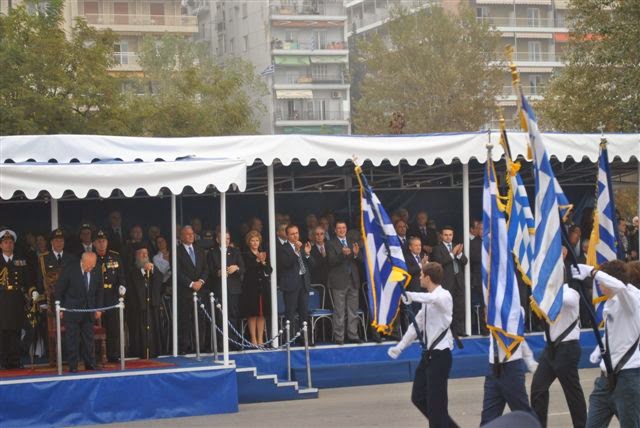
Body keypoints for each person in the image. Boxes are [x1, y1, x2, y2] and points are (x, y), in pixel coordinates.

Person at [387, 262, 459, 427]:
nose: (419, 278)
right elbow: (415, 327)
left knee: (436, 404)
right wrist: (400, 347)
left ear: (428, 278)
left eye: (421, 275)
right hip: (428, 356)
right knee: (418, 396)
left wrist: (411, 296)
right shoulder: (427, 302)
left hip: (441, 355)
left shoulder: (444, 296)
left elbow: (433, 299)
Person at [572, 260, 640, 427]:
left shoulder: (631, 299)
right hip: (606, 378)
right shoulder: (611, 301)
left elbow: (620, 287)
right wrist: (600, 347)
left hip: (628, 376)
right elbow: (615, 332)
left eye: (602, 280)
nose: (599, 283)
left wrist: (593, 272)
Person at [530, 282, 586, 428]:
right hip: (550, 350)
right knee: (538, 389)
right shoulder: (547, 295)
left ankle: (581, 425)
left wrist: (546, 294)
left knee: (572, 393)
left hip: (567, 349)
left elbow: (565, 301)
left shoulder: (571, 293)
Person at [480, 308, 538, 426]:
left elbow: (518, 339)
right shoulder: (492, 305)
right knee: (488, 418)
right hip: (493, 368)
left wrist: (530, 361)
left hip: (511, 367)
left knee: (522, 413)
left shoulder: (514, 307)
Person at [55, 252, 104, 372]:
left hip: (89, 310)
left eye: (93, 265)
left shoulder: (97, 269)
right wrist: (60, 307)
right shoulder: (70, 269)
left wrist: (99, 308)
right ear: (83, 261)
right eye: (89, 265)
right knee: (72, 339)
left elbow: (100, 290)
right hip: (72, 310)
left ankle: (90, 363)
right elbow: (59, 289)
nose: (91, 268)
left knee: (89, 339)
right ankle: (73, 365)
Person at [37, 228, 76, 365]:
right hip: (51, 301)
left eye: (61, 240)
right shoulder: (43, 259)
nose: (59, 243)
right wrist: (42, 300)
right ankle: (52, 357)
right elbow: (39, 280)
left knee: (69, 329)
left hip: (68, 300)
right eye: (56, 240)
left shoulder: (71, 258)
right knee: (50, 330)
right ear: (52, 242)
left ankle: (69, 356)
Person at [326, 221, 362, 345]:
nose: (342, 230)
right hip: (339, 281)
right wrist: (342, 254)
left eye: (343, 228)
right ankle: (339, 337)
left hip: (353, 280)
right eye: (339, 228)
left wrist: (356, 254)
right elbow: (331, 261)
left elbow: (361, 259)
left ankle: (353, 335)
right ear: (335, 230)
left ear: (346, 229)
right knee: (339, 311)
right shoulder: (330, 243)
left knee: (353, 310)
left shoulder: (352, 242)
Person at [93, 230, 127, 363]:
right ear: (94, 243)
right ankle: (97, 354)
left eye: (104, 241)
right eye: (99, 241)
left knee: (113, 326)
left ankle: (113, 354)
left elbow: (121, 276)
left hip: (112, 295)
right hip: (96, 297)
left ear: (107, 242)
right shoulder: (91, 257)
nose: (101, 244)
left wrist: (122, 286)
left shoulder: (115, 256)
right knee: (98, 327)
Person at [176, 225, 209, 355]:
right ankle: (184, 347)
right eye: (188, 234)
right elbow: (177, 271)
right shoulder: (177, 251)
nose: (191, 236)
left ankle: (200, 346)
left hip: (200, 290)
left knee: (200, 319)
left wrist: (200, 281)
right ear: (181, 236)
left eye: (192, 234)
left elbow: (206, 268)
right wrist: (190, 283)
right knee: (185, 320)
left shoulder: (199, 249)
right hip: (185, 291)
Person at [0, 229, 30, 369]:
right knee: (2, 332)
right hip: (1, 300)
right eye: (5, 242)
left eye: (10, 242)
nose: (8, 245)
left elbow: (27, 281)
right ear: (1, 245)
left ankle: (15, 361)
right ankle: (3, 361)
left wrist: (32, 292)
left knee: (16, 331)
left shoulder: (21, 261)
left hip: (17, 300)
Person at [430, 226, 468, 336]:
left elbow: (465, 261)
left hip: (458, 281)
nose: (448, 237)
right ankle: (446, 331)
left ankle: (459, 330)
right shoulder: (437, 248)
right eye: (446, 235)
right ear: (441, 236)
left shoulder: (457, 247)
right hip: (446, 282)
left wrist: (459, 254)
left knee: (459, 306)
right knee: (446, 307)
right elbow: (439, 262)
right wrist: (452, 254)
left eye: (450, 235)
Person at [276, 224, 313, 336]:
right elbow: (285, 264)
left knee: (304, 312)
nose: (295, 236)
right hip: (290, 284)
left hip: (303, 283)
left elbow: (313, 265)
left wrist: (307, 254)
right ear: (287, 236)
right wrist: (296, 251)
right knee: (290, 313)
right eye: (292, 234)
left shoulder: (303, 246)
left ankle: (305, 338)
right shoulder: (282, 248)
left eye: (296, 233)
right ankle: (290, 338)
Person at [128, 244, 162, 359]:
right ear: (136, 256)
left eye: (146, 254)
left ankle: (154, 352)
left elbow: (159, 280)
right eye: (142, 254)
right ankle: (140, 352)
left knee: (153, 329)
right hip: (139, 307)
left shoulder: (153, 269)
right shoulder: (132, 271)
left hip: (152, 306)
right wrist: (143, 271)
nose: (145, 256)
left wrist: (152, 270)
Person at [209, 230, 245, 339]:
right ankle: (221, 343)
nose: (226, 241)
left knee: (233, 315)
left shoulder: (235, 251)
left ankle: (233, 342)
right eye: (224, 238)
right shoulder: (212, 253)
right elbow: (210, 271)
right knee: (220, 316)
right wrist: (218, 273)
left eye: (228, 238)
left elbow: (243, 268)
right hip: (219, 288)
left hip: (233, 289)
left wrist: (236, 268)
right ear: (217, 240)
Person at [242, 231, 272, 345]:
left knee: (261, 314)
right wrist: (257, 260)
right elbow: (247, 269)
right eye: (252, 240)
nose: (255, 243)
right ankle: (253, 339)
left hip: (262, 288)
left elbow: (269, 270)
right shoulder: (245, 254)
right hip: (251, 288)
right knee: (252, 314)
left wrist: (263, 262)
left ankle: (260, 338)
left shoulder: (263, 253)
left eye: (257, 240)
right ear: (249, 242)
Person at [469, 219, 487, 335]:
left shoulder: (491, 241)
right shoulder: (473, 243)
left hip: (491, 278)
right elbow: (474, 258)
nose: (482, 231)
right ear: (476, 230)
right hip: (479, 278)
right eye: (480, 228)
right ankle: (484, 328)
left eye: (484, 228)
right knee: (483, 303)